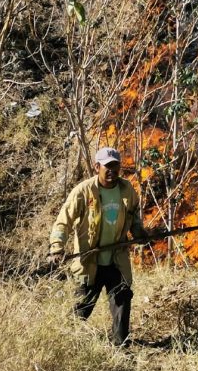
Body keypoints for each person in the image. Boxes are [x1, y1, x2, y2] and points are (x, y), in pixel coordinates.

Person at [47, 147, 147, 346]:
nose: (112, 171)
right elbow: (63, 222)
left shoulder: (127, 190)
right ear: (97, 167)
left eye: (115, 166)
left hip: (116, 259)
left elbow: (134, 217)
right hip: (90, 260)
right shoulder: (84, 192)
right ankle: (66, 343)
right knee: (82, 307)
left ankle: (121, 346)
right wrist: (57, 246)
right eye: (107, 166)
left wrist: (139, 232)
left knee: (122, 299)